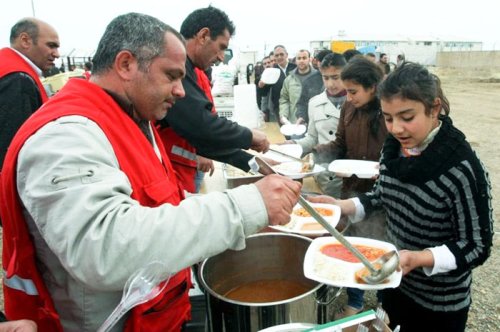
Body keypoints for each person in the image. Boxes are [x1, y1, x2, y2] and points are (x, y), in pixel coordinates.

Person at [0, 12, 301, 331]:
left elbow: (157, 202)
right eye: (171, 76)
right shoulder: (66, 136)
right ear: (126, 64)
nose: (181, 90)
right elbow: (105, 247)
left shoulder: (133, 118)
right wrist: (246, 207)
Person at [310, 62, 493, 332]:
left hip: (438, 303)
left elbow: (476, 245)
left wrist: (419, 258)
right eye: (388, 118)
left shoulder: (462, 167)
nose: (396, 128)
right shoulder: (393, 149)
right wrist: (342, 206)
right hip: (393, 282)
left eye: (407, 117)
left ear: (434, 108)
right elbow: (382, 196)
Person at [156, 6, 270, 193]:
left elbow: (204, 138)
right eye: (221, 47)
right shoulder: (178, 66)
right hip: (169, 169)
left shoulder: (192, 71)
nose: (221, 57)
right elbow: (200, 124)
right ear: (203, 36)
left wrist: (251, 162)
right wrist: (249, 136)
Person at [314, 56, 388, 318]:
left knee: (381, 248)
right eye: (348, 91)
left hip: (383, 195)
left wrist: (386, 170)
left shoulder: (387, 111)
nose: (349, 96)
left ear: (373, 87)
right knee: (354, 245)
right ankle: (355, 301)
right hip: (352, 190)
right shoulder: (348, 108)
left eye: (354, 91)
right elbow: (339, 146)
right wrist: (312, 151)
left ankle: (384, 302)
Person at [284, 53, 347, 197]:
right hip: (324, 177)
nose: (331, 84)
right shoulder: (315, 103)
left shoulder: (354, 102)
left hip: (348, 177)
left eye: (336, 77)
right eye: (326, 78)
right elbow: (312, 137)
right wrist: (293, 144)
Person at [0, 17, 60, 169]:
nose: (57, 54)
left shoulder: (7, 68)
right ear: (25, 40)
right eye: (51, 46)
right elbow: (14, 148)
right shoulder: (19, 80)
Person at [294, 49, 332, 125]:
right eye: (320, 62)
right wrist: (301, 116)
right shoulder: (309, 81)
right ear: (317, 63)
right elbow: (302, 103)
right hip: (314, 123)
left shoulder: (342, 79)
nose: (323, 65)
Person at [279, 49, 315, 125]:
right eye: (299, 58)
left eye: (304, 58)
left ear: (309, 59)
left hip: (315, 122)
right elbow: (284, 99)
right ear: (296, 61)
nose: (301, 61)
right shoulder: (289, 79)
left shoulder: (318, 77)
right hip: (295, 123)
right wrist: (283, 115)